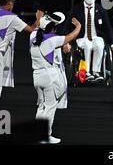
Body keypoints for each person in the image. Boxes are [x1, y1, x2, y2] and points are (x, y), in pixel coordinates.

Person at [30, 12, 81, 144]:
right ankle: (45, 136)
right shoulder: (52, 40)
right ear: (52, 29)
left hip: (36, 77)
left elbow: (36, 28)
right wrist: (78, 27)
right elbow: (70, 37)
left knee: (41, 107)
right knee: (50, 107)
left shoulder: (34, 36)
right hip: (48, 77)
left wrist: (38, 19)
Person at [65, 0, 113, 82]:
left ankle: (96, 72)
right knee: (87, 45)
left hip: (95, 36)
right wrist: (66, 42)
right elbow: (67, 26)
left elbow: (108, 27)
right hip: (81, 38)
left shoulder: (101, 9)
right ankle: (86, 71)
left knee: (99, 44)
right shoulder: (76, 9)